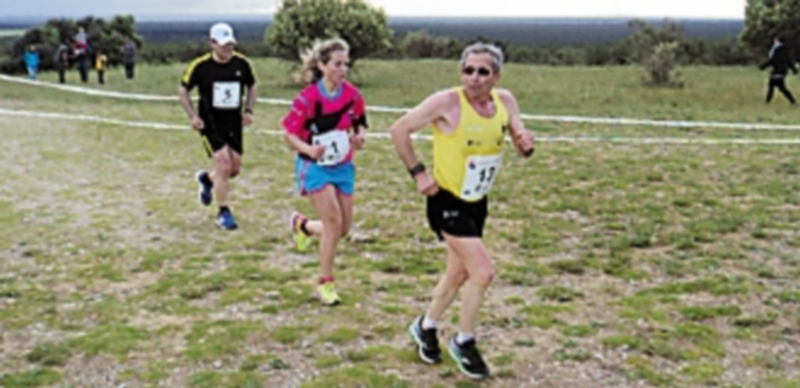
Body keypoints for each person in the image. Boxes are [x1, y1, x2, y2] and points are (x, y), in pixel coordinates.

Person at [388, 42, 534, 380]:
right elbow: (399, 130)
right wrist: (418, 174)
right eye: (468, 70)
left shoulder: (505, 101)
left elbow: (518, 137)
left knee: (457, 273)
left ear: (496, 76)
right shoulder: (446, 102)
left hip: (477, 201)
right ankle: (464, 341)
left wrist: (525, 144)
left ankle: (426, 326)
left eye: (483, 71)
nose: (474, 78)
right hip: (446, 200)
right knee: (483, 273)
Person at [280, 38, 367, 306]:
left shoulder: (352, 95)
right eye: (337, 64)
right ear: (322, 65)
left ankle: (303, 226)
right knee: (332, 222)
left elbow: (360, 121)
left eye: (346, 64)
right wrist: (308, 149)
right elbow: (289, 134)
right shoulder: (308, 98)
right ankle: (325, 284)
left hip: (343, 165)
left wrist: (359, 136)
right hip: (315, 167)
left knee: (342, 228)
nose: (343, 69)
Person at [178, 22, 258, 230]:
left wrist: (249, 110)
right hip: (210, 124)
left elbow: (252, 85)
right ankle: (223, 212)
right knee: (223, 165)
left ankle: (207, 179)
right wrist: (193, 116)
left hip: (234, 123)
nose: (227, 49)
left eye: (230, 45)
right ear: (212, 43)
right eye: (223, 46)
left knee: (234, 169)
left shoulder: (242, 64)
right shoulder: (201, 66)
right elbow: (183, 90)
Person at [760, 35, 798, 106]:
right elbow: (788, 61)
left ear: (778, 41)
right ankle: (792, 102)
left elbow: (773, 60)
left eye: (775, 40)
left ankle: (792, 102)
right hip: (783, 71)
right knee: (776, 86)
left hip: (777, 71)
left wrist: (763, 67)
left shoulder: (776, 50)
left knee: (777, 87)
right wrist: (794, 70)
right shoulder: (786, 50)